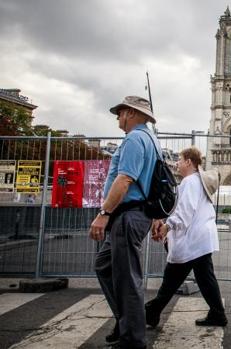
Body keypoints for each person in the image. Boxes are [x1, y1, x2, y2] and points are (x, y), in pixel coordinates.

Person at [89, 95, 160, 349]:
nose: (118, 118)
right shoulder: (152, 139)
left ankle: (132, 339)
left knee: (127, 278)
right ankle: (126, 320)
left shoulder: (134, 139)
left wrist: (104, 213)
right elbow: (155, 183)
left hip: (127, 215)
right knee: (105, 265)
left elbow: (124, 180)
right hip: (137, 214)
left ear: (131, 113)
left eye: (119, 113)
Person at [145, 146, 227, 328]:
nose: (177, 164)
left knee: (172, 278)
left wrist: (168, 226)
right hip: (200, 239)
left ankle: (152, 311)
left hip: (193, 240)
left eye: (180, 160)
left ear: (189, 162)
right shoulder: (199, 181)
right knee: (204, 278)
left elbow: (185, 211)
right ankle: (217, 314)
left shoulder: (190, 181)